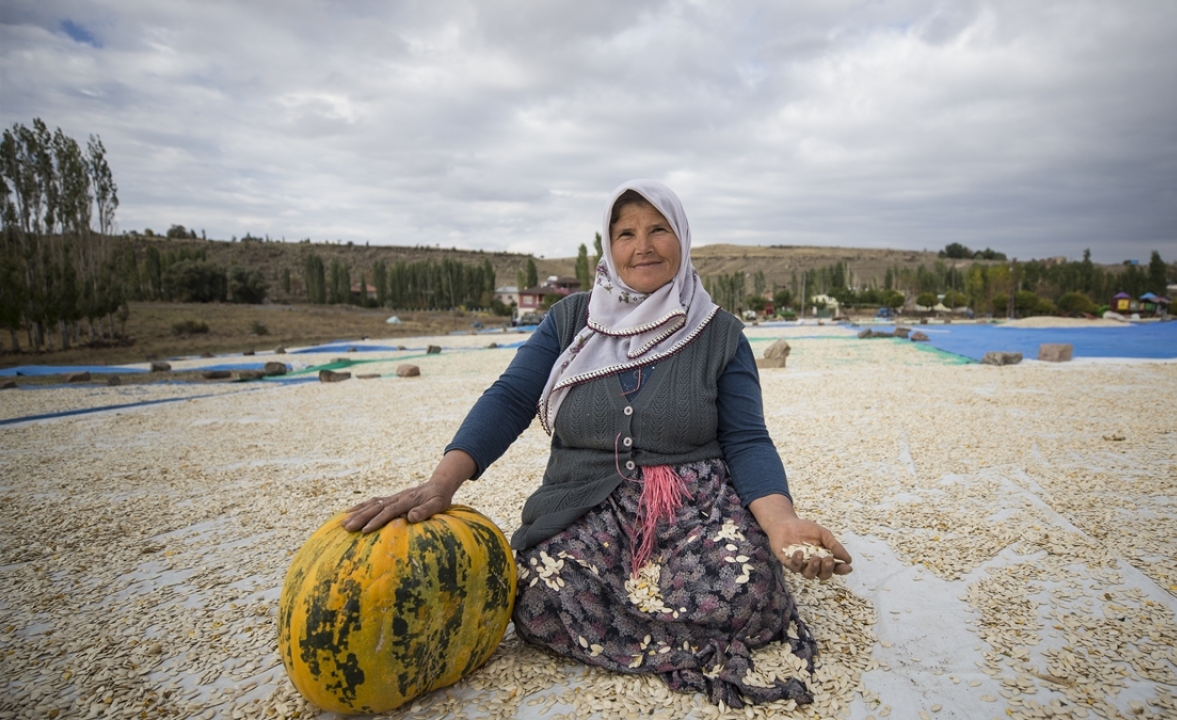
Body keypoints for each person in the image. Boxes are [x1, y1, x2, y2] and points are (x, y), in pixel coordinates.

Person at [343, 179, 852, 707]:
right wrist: (442, 482)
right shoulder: (571, 321)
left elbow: (747, 440)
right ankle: (667, 635)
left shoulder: (718, 333)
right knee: (540, 592)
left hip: (693, 510)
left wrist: (781, 522)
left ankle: (639, 632)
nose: (643, 246)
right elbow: (512, 397)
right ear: (609, 246)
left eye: (659, 230)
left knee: (751, 590)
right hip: (585, 503)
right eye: (626, 232)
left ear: (682, 238)